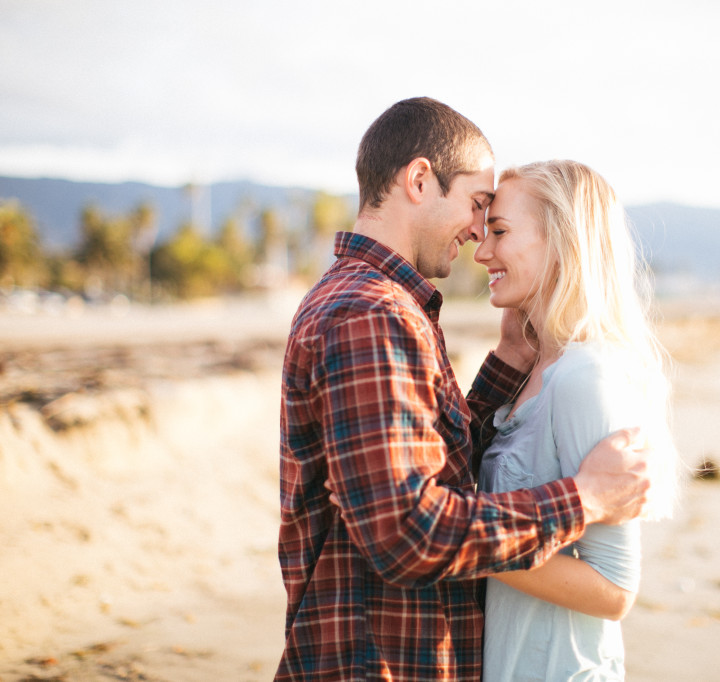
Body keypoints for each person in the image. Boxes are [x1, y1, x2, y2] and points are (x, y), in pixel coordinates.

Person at [275, 98, 654, 681]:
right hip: (377, 663)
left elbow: (430, 466)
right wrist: (585, 500)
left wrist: (506, 363)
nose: (478, 234)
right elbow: (406, 530)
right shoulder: (370, 315)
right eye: (478, 206)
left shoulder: (379, 306)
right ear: (420, 180)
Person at [473, 160, 681, 681]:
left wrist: (458, 543)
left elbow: (614, 590)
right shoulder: (533, 370)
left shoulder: (584, 376)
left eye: (499, 232)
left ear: (563, 241)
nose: (481, 252)